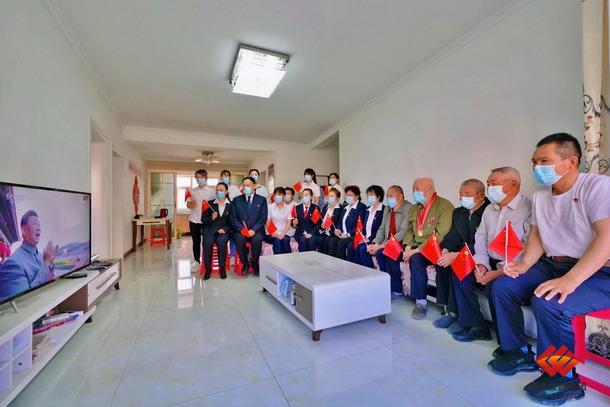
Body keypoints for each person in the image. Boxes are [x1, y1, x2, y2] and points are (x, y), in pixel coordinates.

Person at [488, 133, 610, 405]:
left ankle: (563, 378)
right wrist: (524, 264)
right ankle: (518, 351)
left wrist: (571, 279)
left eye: (544, 161)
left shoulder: (597, 187)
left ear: (571, 162)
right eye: (534, 162)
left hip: (600, 271)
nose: (537, 168)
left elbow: (607, 238)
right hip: (555, 264)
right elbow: (537, 234)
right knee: (503, 286)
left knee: (551, 302)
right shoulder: (541, 194)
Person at [460, 167, 531, 348]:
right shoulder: (489, 209)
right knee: (460, 271)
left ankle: (510, 345)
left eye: (494, 184)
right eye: (488, 183)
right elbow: (481, 238)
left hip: (513, 265)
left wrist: (497, 273)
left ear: (513, 185)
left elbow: (529, 248)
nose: (489, 188)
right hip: (489, 260)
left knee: (496, 286)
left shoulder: (527, 208)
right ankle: (476, 325)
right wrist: (481, 265)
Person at [433, 179, 490, 337]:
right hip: (462, 254)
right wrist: (446, 250)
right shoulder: (459, 212)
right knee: (441, 263)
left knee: (459, 269)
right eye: (460, 193)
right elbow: (453, 236)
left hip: (481, 256)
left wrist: (457, 255)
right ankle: (451, 311)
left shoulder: (489, 211)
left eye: (467, 194)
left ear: (480, 196)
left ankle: (471, 322)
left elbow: (483, 242)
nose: (462, 197)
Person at [402, 178, 454, 319]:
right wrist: (408, 247)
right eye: (413, 189)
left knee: (417, 257)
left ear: (430, 189)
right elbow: (410, 231)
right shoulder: (415, 208)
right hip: (417, 247)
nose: (414, 192)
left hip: (437, 247)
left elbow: (441, 234)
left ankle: (446, 307)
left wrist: (416, 250)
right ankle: (421, 302)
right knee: (414, 258)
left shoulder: (444, 206)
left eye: (417, 189)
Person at [0, 211, 58, 301]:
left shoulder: (42, 256)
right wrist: (46, 264)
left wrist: (50, 265)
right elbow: (23, 301)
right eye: (35, 224)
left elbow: (50, 279)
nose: (39, 229)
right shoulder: (13, 263)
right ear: (23, 230)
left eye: (39, 225)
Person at [367, 186, 412, 298]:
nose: (388, 198)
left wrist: (382, 246)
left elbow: (403, 232)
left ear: (401, 196)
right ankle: (387, 284)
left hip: (402, 243)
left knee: (388, 253)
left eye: (391, 196)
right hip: (387, 243)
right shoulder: (387, 208)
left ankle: (397, 289)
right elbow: (382, 228)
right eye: (387, 196)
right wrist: (376, 244)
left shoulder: (408, 208)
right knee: (378, 252)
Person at [230, 177, 268, 276]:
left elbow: (263, 218)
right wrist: (242, 229)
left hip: (256, 231)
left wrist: (254, 230)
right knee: (239, 239)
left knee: (256, 240)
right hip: (241, 231)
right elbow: (233, 218)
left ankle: (255, 264)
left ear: (254, 186)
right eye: (244, 185)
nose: (245, 187)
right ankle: (245, 263)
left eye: (248, 185)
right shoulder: (236, 200)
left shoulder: (262, 200)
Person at [201, 183, 233, 280]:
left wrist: (225, 229)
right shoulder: (210, 204)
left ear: (226, 192)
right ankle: (208, 269)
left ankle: (222, 268)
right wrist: (211, 218)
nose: (219, 192)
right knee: (207, 242)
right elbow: (203, 219)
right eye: (217, 190)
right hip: (210, 230)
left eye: (221, 190)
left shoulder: (231, 205)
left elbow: (233, 222)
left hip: (223, 231)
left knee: (221, 242)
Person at [186, 169, 215, 272]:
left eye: (201, 177)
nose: (199, 179)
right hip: (194, 220)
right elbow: (188, 205)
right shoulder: (192, 191)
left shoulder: (212, 191)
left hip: (207, 221)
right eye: (197, 177)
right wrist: (191, 204)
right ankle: (197, 262)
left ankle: (207, 261)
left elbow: (214, 206)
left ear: (206, 178)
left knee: (207, 241)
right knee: (196, 241)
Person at [352, 185, 385, 268]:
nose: (369, 197)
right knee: (355, 246)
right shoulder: (367, 209)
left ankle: (370, 270)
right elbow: (363, 225)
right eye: (368, 195)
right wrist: (363, 236)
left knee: (362, 249)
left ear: (379, 197)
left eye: (371, 195)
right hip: (366, 239)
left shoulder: (384, 210)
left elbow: (381, 229)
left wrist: (370, 239)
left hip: (376, 240)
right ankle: (358, 270)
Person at [333, 185, 367, 260]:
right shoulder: (345, 207)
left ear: (357, 196)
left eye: (350, 195)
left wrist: (348, 235)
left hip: (353, 235)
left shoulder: (361, 207)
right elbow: (340, 222)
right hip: (343, 234)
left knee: (342, 244)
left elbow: (360, 225)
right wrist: (338, 229)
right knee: (332, 241)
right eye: (347, 195)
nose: (348, 197)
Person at [266, 187, 292, 254]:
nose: (277, 196)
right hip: (272, 233)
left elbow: (288, 223)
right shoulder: (270, 207)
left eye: (279, 195)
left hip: (284, 233)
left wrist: (283, 234)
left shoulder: (288, 207)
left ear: (284, 196)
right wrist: (274, 233)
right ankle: (277, 259)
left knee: (285, 240)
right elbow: (268, 222)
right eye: (276, 195)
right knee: (277, 240)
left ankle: (288, 258)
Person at [317, 188, 343, 255]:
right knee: (320, 240)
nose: (329, 197)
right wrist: (321, 225)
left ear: (338, 199)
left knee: (330, 241)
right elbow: (321, 220)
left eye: (332, 196)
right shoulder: (325, 207)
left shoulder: (341, 209)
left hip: (334, 234)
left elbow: (340, 223)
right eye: (329, 196)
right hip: (324, 232)